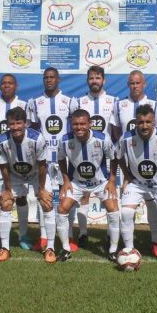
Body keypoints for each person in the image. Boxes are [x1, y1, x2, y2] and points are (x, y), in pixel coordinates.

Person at [57, 109, 120, 263]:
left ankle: (113, 250)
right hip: (77, 183)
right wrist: (66, 181)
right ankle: (65, 249)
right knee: (62, 209)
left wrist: (112, 180)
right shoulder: (65, 140)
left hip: (100, 183)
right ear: (71, 125)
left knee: (113, 209)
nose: (79, 127)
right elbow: (60, 160)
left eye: (83, 124)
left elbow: (114, 158)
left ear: (90, 124)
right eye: (75, 124)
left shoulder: (103, 139)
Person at [113, 70, 157, 257]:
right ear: (128, 85)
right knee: (128, 205)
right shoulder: (120, 105)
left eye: (138, 83)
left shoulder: (155, 105)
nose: (135, 86)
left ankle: (154, 241)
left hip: (151, 162)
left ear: (144, 84)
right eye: (131, 83)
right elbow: (115, 131)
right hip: (129, 160)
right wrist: (125, 171)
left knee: (152, 205)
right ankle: (129, 245)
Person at [116, 105, 157, 264]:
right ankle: (129, 250)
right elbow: (118, 156)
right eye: (141, 122)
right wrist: (127, 175)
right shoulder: (126, 138)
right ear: (135, 122)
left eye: (148, 122)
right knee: (126, 213)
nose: (144, 126)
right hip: (136, 183)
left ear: (154, 122)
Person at [0, 107, 54, 262]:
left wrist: (41, 189)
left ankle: (50, 248)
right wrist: (7, 189)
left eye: (18, 123)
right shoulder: (1, 141)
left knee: (46, 203)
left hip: (36, 174)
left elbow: (42, 166)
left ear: (25, 123)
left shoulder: (37, 139)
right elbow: (4, 166)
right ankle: (5, 247)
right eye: (11, 124)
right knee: (6, 203)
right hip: (14, 174)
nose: (15, 127)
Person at [27, 67, 75, 254]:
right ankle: (44, 238)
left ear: (58, 79)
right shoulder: (34, 103)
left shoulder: (70, 101)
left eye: (52, 77)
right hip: (43, 160)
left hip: (65, 159)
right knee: (44, 198)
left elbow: (74, 129)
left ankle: (68, 237)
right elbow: (33, 131)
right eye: (46, 77)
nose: (49, 80)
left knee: (66, 197)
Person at [69, 65, 118, 247]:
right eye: (91, 78)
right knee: (83, 195)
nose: (94, 81)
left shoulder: (113, 101)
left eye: (98, 78)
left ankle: (109, 234)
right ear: (87, 80)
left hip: (103, 152)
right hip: (82, 152)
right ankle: (83, 233)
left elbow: (115, 129)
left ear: (103, 80)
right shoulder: (78, 102)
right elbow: (73, 128)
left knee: (107, 194)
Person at [0, 74, 30, 249]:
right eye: (3, 83)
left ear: (16, 86)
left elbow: (28, 132)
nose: (7, 86)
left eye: (10, 83)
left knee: (22, 197)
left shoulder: (25, 105)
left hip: (19, 158)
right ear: (0, 86)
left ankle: (23, 235)